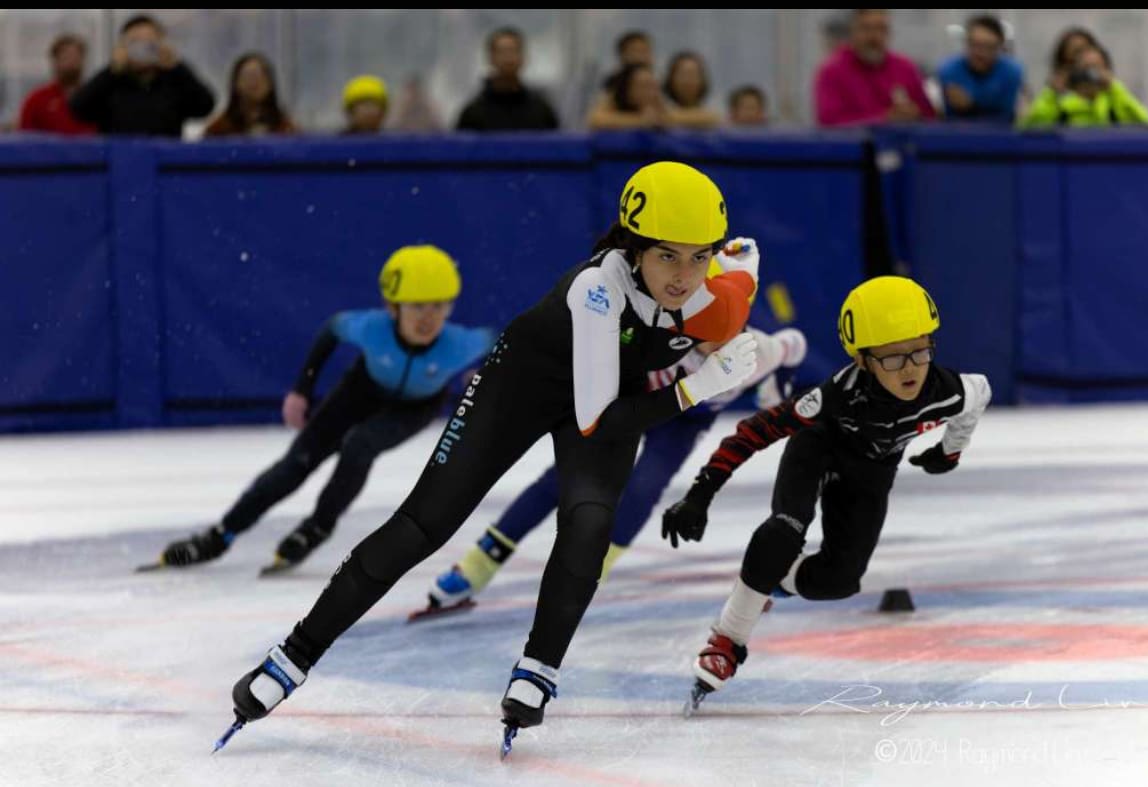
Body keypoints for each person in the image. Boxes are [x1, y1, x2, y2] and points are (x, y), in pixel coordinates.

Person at [224, 161, 761, 755]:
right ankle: (293, 656)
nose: (684, 276)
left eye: (697, 257)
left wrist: (746, 314)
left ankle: (538, 669)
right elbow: (598, 421)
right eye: (667, 256)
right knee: (422, 525)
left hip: (613, 397)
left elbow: (743, 260)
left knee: (588, 525)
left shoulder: (725, 282)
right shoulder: (598, 289)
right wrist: (694, 387)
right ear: (633, 247)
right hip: (522, 390)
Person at [660, 276, 991, 709]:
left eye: (919, 350)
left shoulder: (951, 391)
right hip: (819, 448)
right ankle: (727, 640)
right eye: (891, 357)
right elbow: (752, 433)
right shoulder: (833, 396)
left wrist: (948, 453)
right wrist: (701, 493)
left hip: (870, 472)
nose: (909, 368)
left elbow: (978, 397)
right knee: (783, 532)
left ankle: (771, 582)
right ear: (863, 360)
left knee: (838, 582)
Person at [142, 246, 494, 574]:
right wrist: (301, 391)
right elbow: (332, 329)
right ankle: (219, 536)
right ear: (392, 307)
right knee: (295, 465)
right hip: (361, 391)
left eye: (438, 306)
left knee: (360, 445)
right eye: (417, 306)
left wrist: (491, 374)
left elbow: (509, 344)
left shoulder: (460, 344)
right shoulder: (372, 328)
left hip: (415, 408)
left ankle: (318, 527)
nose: (428, 318)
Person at [421, 324, 807, 617]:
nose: (718, 352)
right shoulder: (658, 333)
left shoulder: (759, 352)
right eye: (709, 335)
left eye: (730, 336)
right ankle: (479, 563)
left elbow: (795, 344)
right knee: (565, 476)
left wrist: (776, 387)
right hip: (639, 401)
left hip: (683, 420)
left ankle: (590, 571)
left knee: (645, 485)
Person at [69, 14, 214, 136]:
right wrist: (111, 70)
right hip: (119, 162)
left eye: (149, 43)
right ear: (123, 46)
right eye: (135, 43)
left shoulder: (174, 81)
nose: (143, 50)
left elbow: (205, 106)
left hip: (163, 163)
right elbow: (78, 109)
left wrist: (177, 67)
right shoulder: (111, 83)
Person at [814, 9, 935, 127]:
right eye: (866, 29)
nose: (873, 36)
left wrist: (916, 115)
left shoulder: (905, 68)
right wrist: (884, 120)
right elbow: (829, 123)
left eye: (881, 29)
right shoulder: (832, 72)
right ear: (852, 32)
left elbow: (930, 117)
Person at [1019, 43, 1148, 128]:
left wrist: (1115, 88)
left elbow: (1145, 123)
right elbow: (1028, 129)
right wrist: (1051, 94)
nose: (1090, 75)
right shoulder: (1061, 108)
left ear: (1107, 71)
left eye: (1097, 68)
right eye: (1085, 68)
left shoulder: (1115, 105)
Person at [455, 27, 558, 132]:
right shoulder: (473, 114)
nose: (508, 58)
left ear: (523, 57)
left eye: (513, 51)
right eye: (502, 52)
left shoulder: (541, 111)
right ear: (491, 58)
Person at [936, 15, 1023, 123]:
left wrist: (970, 107)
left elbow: (1005, 115)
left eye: (988, 47)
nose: (981, 53)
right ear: (966, 44)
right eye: (975, 45)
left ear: (1000, 47)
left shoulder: (1012, 72)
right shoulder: (949, 70)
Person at [18, 33, 96, 135]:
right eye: (66, 57)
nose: (71, 63)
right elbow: (23, 139)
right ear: (55, 61)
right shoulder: (36, 100)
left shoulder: (95, 99)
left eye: (76, 57)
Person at [203, 52, 295, 137]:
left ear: (270, 84)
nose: (254, 82)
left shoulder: (286, 129)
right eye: (248, 76)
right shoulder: (218, 130)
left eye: (259, 76)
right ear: (236, 84)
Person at [661, 51, 721, 130]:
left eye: (692, 74)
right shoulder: (661, 113)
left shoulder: (713, 118)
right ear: (671, 79)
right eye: (683, 75)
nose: (688, 81)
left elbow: (716, 118)